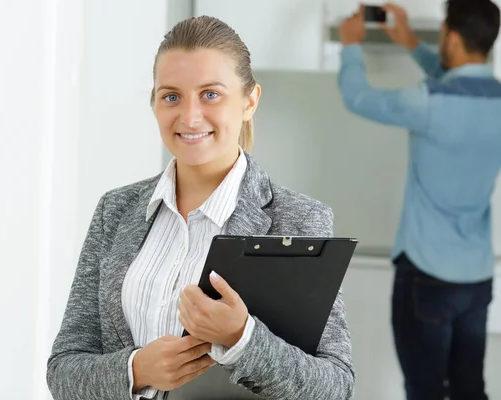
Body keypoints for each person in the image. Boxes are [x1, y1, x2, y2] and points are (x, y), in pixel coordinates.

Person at [47, 15, 354, 400]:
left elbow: (335, 385)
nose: (190, 117)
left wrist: (243, 338)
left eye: (210, 94)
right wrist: (137, 369)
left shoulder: (297, 219)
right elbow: (63, 369)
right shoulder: (116, 210)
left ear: (249, 100)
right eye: (171, 96)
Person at [338, 1, 501, 399]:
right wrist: (411, 42)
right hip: (476, 276)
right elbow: (458, 82)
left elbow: (358, 97)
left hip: (426, 277)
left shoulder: (427, 101)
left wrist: (351, 46)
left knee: (424, 391)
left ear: (453, 37)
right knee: (469, 389)